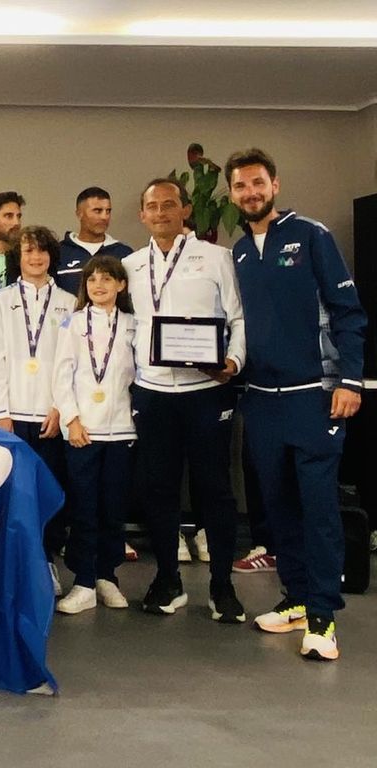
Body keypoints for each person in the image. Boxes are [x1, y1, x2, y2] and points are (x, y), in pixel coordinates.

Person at [226, 148, 366, 661]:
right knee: (278, 507)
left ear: (275, 185)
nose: (250, 193)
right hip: (262, 400)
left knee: (318, 507)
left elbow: (347, 311)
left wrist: (349, 380)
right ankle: (298, 598)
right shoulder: (240, 251)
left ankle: (324, 616)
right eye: (241, 186)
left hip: (315, 395)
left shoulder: (311, 235)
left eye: (258, 183)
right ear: (232, 194)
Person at [124, 177, 246, 622]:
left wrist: (232, 361)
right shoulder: (131, 265)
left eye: (169, 204)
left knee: (215, 488)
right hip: (153, 392)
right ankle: (167, 580)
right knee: (158, 487)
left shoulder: (216, 258)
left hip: (207, 391)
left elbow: (237, 317)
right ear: (142, 215)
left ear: (185, 210)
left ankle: (222, 587)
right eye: (152, 206)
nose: (161, 213)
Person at [0, 225, 75, 593]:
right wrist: (0, 412)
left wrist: (59, 408)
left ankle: (46, 561)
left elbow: (69, 362)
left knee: (48, 491)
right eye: (28, 251)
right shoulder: (0, 301)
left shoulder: (69, 302)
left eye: (41, 251)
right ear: (17, 257)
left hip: (50, 415)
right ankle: (13, 564)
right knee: (14, 494)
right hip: (13, 414)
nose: (35, 257)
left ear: (51, 256)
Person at [52, 255, 137, 613]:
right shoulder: (72, 323)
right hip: (83, 430)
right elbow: (61, 375)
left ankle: (107, 577)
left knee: (113, 509)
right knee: (84, 509)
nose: (98, 285)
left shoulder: (134, 324)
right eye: (92, 280)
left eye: (106, 279)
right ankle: (84, 581)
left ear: (121, 284)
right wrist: (71, 420)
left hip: (122, 429)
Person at [56, 187, 134, 296]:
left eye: (108, 211)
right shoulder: (58, 253)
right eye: (98, 211)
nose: (104, 217)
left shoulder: (124, 253)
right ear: (79, 214)